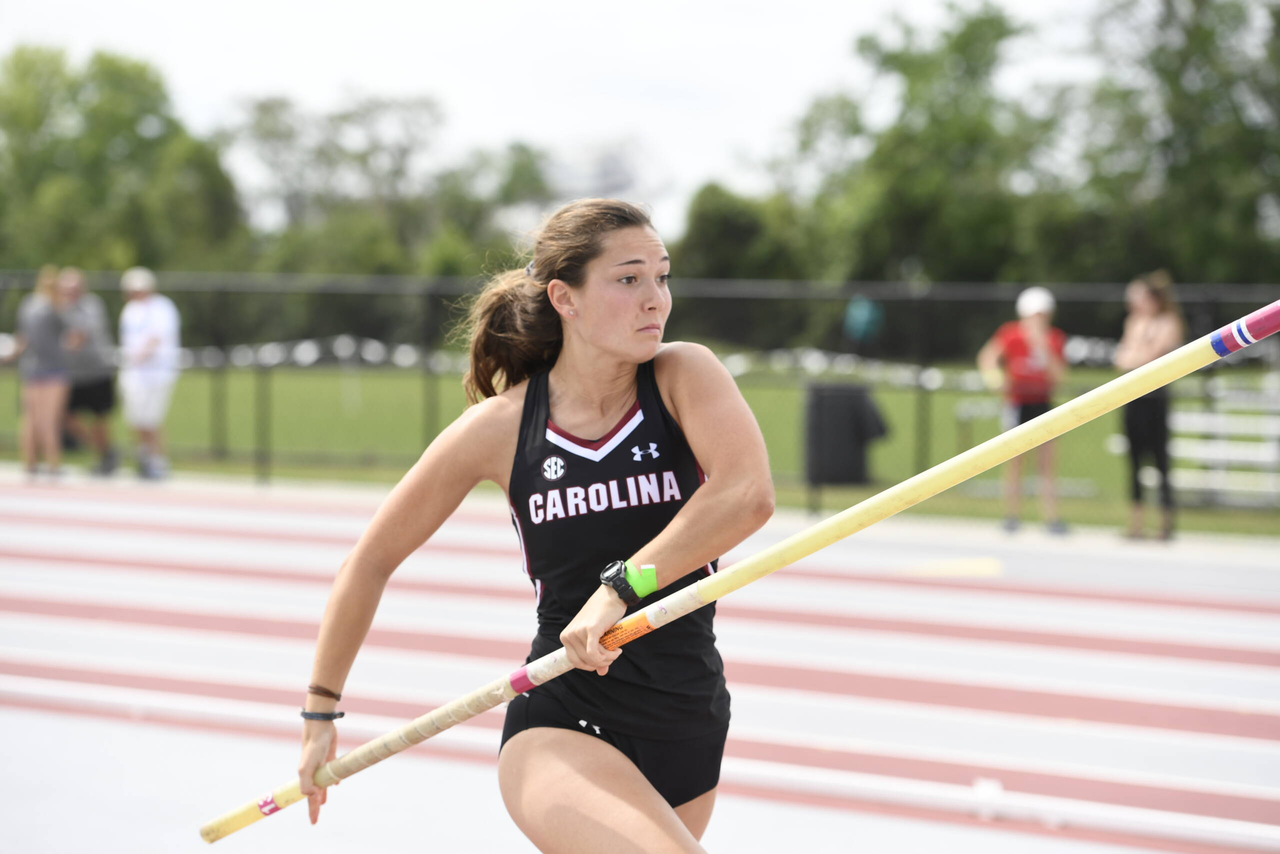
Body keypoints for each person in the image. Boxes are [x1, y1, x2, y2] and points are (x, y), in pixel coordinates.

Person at [296, 199, 775, 853]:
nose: (655, 300)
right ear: (565, 298)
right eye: (628, 278)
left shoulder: (683, 375)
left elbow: (746, 495)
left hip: (689, 715)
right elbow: (370, 559)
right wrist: (321, 708)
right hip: (567, 715)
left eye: (662, 277)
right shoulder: (502, 427)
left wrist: (619, 589)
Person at [977, 286, 1069, 534]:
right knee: (1014, 461)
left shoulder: (1054, 338)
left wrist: (1041, 345)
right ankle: (1012, 515)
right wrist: (996, 380)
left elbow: (1059, 376)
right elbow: (987, 358)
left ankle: (1051, 517)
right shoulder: (1010, 335)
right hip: (1017, 402)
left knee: (1046, 463)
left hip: (1042, 402)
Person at [1113, 270, 1184, 540]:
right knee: (1134, 461)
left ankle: (1165, 524)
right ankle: (1136, 524)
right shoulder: (1134, 322)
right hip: (1133, 396)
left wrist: (1136, 352)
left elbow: (1147, 358)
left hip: (1156, 397)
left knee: (1160, 461)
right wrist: (1136, 351)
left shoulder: (1168, 322)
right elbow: (1122, 360)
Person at [7, 266, 78, 479]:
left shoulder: (28, 304)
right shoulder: (55, 307)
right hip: (53, 368)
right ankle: (53, 464)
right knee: (49, 420)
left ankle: (29, 462)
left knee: (30, 419)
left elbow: (22, 338)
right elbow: (73, 336)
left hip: (31, 367)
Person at [117, 266, 181, 479]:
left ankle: (158, 462)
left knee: (152, 420)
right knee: (136, 420)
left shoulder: (162, 307)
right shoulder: (129, 311)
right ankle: (144, 459)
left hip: (157, 374)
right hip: (133, 375)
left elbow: (156, 337)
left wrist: (140, 355)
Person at [59, 267, 120, 475]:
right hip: (72, 374)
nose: (70, 292)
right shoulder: (59, 308)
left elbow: (79, 335)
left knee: (99, 418)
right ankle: (102, 451)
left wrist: (55, 348)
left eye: (74, 288)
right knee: (65, 416)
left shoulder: (91, 304)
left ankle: (105, 456)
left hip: (97, 371)